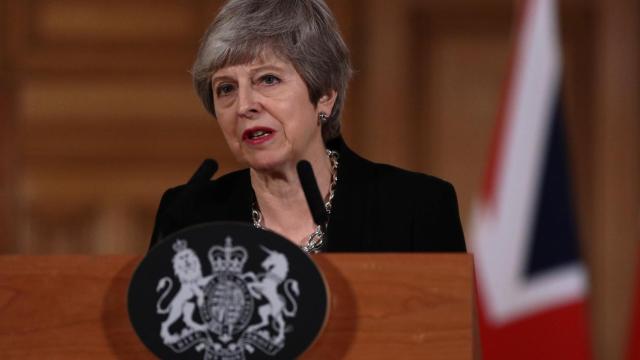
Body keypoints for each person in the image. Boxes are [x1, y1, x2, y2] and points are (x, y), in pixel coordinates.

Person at [149, 0, 466, 253]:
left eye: (268, 79)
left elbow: (445, 331)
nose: (244, 105)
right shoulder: (188, 216)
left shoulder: (416, 208)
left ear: (325, 96)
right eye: (226, 89)